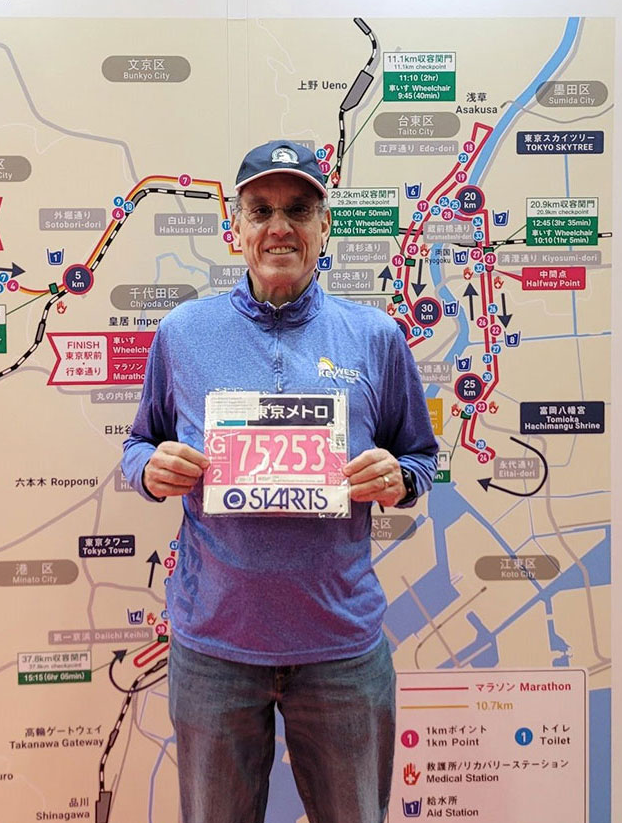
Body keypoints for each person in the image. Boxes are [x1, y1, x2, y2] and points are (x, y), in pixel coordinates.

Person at [121, 139, 438, 823]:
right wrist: (149, 469)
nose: (279, 227)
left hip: (341, 648)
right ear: (236, 228)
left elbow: (420, 459)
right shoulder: (183, 332)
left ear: (325, 226)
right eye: (261, 210)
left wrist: (399, 478)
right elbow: (137, 443)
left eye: (299, 210)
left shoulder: (376, 336)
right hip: (215, 646)